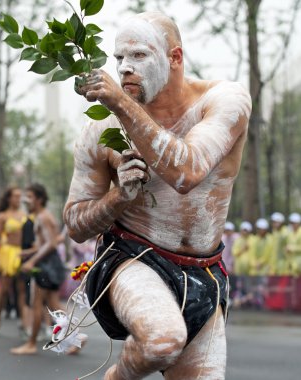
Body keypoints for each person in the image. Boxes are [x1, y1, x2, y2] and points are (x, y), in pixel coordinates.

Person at [66, 11, 251, 380]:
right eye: (119, 58)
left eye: (138, 56)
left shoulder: (223, 100)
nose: (124, 69)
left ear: (175, 58)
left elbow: (187, 172)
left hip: (205, 273)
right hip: (134, 259)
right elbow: (75, 224)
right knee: (162, 341)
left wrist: (121, 103)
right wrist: (117, 198)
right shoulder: (102, 127)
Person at [11, 183, 73, 355]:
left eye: (29, 197)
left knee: (36, 304)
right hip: (50, 263)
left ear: (39, 199)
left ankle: (31, 344)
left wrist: (32, 261)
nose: (26, 200)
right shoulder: (41, 216)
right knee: (53, 304)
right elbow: (47, 243)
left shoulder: (43, 217)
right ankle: (77, 339)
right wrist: (27, 253)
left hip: (46, 265)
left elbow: (51, 244)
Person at [0, 186, 26, 336]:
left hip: (22, 253)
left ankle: (23, 321)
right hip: (8, 253)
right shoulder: (2, 216)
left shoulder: (24, 214)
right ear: (9, 198)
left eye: (20, 196)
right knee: (4, 290)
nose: (18, 199)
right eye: (16, 196)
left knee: (21, 290)